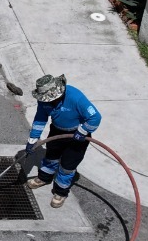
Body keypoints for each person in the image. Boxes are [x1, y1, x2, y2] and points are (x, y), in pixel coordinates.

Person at [26, 74, 101, 208]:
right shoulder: (44, 100)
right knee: (51, 157)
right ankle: (44, 178)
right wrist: (33, 138)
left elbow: (95, 117)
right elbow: (40, 118)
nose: (48, 102)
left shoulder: (75, 97)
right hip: (57, 131)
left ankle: (60, 192)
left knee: (67, 166)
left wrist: (82, 132)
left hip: (78, 136)